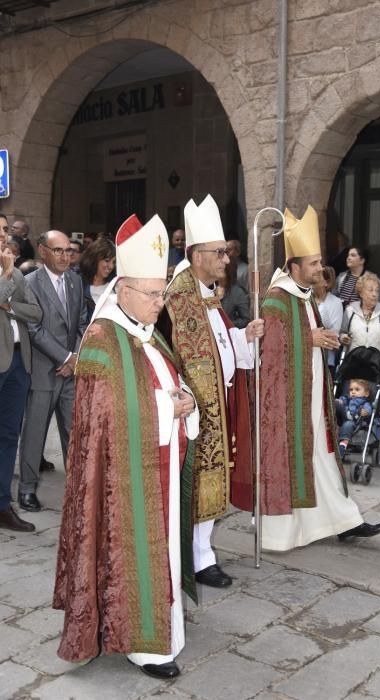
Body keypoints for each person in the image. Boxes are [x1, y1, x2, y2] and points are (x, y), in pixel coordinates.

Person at [53, 212, 199, 679]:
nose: (161, 304)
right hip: (125, 478)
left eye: (162, 294)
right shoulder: (101, 338)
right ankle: (143, 644)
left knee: (165, 553)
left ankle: (164, 627)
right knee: (134, 553)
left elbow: (169, 379)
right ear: (123, 290)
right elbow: (106, 415)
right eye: (154, 295)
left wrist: (185, 399)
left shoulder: (145, 330)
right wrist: (166, 408)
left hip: (158, 462)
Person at [259, 205, 380, 552]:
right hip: (289, 401)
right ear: (294, 266)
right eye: (314, 263)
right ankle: (281, 534)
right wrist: (310, 339)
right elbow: (270, 349)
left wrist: (323, 337)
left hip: (312, 393)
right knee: (301, 459)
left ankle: (346, 521)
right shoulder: (276, 298)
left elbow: (303, 335)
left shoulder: (304, 297)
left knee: (323, 456)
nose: (321, 267)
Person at [160, 194, 263, 587]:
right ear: (196, 254)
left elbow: (220, 346)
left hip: (216, 402)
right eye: (219, 252)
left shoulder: (206, 293)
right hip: (192, 409)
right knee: (196, 483)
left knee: (210, 481)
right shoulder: (178, 297)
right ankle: (196, 558)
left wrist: (244, 336)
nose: (226, 258)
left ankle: (202, 555)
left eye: (226, 252)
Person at [18, 230, 87, 511]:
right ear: (42, 251)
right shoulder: (29, 282)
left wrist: (76, 358)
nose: (64, 256)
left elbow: (83, 321)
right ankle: (26, 489)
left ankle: (78, 488)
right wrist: (64, 357)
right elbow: (33, 328)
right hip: (43, 370)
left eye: (68, 250)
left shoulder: (75, 281)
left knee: (74, 432)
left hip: (70, 373)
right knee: (35, 433)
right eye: (57, 250)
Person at [0, 215, 41, 532]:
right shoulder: (11, 270)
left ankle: (2, 505)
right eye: (1, 230)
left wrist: (11, 307)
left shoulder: (13, 271)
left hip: (18, 363)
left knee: (8, 436)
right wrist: (9, 274)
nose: (6, 236)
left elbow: (35, 311)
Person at [339, 272, 380, 355]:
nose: (374, 294)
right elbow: (342, 332)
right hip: (353, 361)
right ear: (361, 293)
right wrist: (343, 338)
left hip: (376, 363)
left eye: (377, 291)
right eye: (370, 290)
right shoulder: (350, 310)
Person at [312, 265, 343, 376]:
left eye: (318, 276)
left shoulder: (336, 302)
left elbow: (334, 333)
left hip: (326, 358)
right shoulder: (305, 300)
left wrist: (321, 306)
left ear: (327, 282)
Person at [80, 236, 116, 323]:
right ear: (94, 259)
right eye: (107, 260)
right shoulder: (78, 284)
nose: (111, 266)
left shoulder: (116, 284)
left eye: (114, 262)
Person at [336, 379, 372, 458]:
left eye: (357, 389)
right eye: (351, 390)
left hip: (354, 420)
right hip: (341, 417)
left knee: (347, 425)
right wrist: (340, 401)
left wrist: (365, 412)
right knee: (338, 405)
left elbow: (368, 410)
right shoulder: (347, 399)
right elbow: (342, 400)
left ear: (366, 393)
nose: (353, 392)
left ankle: (342, 446)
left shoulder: (364, 403)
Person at [215, 261, 251, 329]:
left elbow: (246, 320)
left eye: (220, 268)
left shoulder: (238, 292)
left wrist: (228, 324)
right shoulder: (210, 289)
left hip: (230, 334)